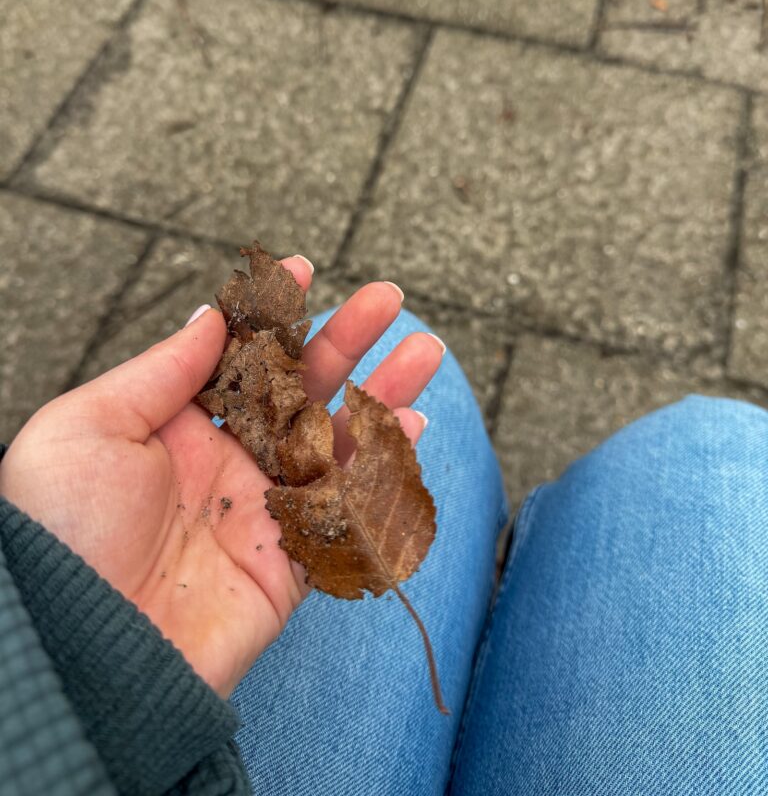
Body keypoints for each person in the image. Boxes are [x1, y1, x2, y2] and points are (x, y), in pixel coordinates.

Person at [1, 257, 767, 795]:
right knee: (721, 449)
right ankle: (500, 597)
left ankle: (486, 612)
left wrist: (59, 604)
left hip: (107, 723)